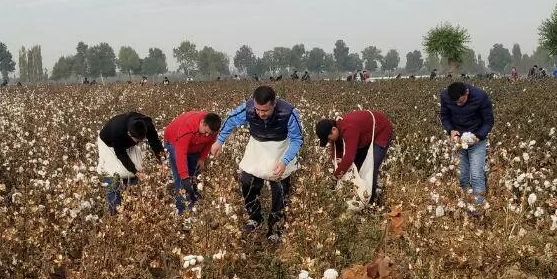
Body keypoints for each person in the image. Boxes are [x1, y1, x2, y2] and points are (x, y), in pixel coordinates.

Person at [212, 86, 304, 241]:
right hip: (257, 146)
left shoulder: (289, 113)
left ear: (274, 104)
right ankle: (255, 217)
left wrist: (284, 161)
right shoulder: (248, 109)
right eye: (258, 110)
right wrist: (219, 141)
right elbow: (231, 120)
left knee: (280, 189)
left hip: (281, 148)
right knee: (247, 182)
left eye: (265, 110)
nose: (261, 114)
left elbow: (297, 139)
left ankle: (275, 227)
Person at [315, 109, 394, 206]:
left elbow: (349, 158)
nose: (329, 141)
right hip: (365, 134)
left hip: (381, 130)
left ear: (333, 130)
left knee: (371, 166)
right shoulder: (337, 130)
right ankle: (358, 194)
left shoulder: (349, 129)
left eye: (328, 139)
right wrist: (338, 169)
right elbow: (338, 154)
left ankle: (370, 203)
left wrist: (335, 177)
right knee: (357, 165)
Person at [439, 81, 494, 211]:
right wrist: (451, 130)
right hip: (458, 141)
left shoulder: (481, 96)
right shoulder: (445, 96)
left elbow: (489, 121)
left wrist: (478, 136)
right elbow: (444, 116)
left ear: (467, 93)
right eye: (455, 103)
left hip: (477, 140)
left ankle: (478, 208)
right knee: (462, 174)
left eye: (461, 102)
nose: (458, 105)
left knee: (476, 174)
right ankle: (465, 203)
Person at [97, 111, 164, 213]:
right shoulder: (117, 132)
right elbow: (121, 154)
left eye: (142, 139)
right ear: (129, 133)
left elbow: (154, 141)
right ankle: (114, 211)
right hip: (109, 144)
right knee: (113, 175)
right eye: (137, 140)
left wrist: (162, 161)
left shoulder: (147, 124)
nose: (139, 142)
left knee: (134, 174)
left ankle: (133, 208)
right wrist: (135, 171)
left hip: (126, 143)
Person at [163, 110, 222, 212]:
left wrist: (202, 158)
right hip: (173, 142)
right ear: (202, 123)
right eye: (206, 132)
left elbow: (209, 142)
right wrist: (184, 177)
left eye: (210, 133)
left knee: (194, 171)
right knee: (181, 179)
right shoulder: (187, 127)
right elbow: (180, 154)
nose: (207, 135)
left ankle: (193, 196)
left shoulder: (212, 128)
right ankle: (183, 209)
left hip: (194, 143)